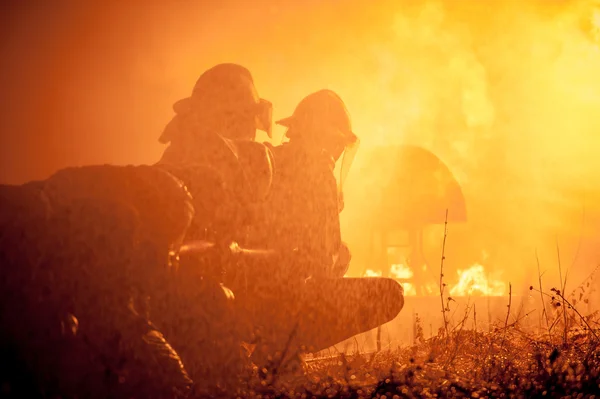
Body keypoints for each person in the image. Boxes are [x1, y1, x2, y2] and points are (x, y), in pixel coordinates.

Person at [241, 90, 405, 372]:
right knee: (390, 294)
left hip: (241, 296)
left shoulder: (269, 160)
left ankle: (273, 347)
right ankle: (278, 353)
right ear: (327, 139)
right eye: (337, 142)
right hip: (274, 300)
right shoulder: (317, 172)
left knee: (342, 253)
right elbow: (319, 260)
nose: (338, 151)